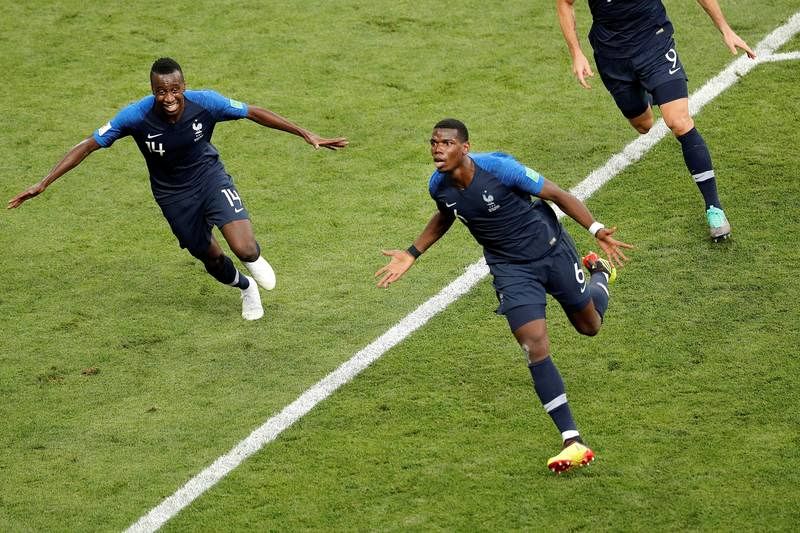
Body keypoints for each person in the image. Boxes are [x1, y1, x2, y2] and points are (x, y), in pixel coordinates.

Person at [375, 119, 633, 473]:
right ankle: (571, 439)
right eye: (433, 142)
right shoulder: (439, 185)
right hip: (511, 270)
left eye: (446, 143)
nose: (437, 149)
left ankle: (600, 273)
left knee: (589, 326)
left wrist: (597, 229)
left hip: (552, 252)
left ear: (465, 148)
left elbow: (556, 194)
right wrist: (412, 252)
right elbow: (446, 214)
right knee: (533, 344)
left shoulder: (500, 170)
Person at [8, 57, 347, 320]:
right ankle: (245, 289)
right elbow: (87, 145)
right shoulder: (135, 117)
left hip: (210, 179)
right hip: (173, 197)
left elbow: (253, 112)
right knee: (211, 258)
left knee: (245, 250)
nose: (169, 98)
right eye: (161, 92)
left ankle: (251, 262)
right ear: (153, 90)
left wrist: (306, 133)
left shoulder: (207, 103)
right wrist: (44, 182)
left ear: (184, 85)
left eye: (174, 90)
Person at [556, 0, 756, 242]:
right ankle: (650, 89)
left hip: (654, 44)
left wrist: (724, 27)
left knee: (678, 121)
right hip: (612, 54)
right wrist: (576, 53)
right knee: (643, 125)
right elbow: (565, 4)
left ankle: (714, 208)